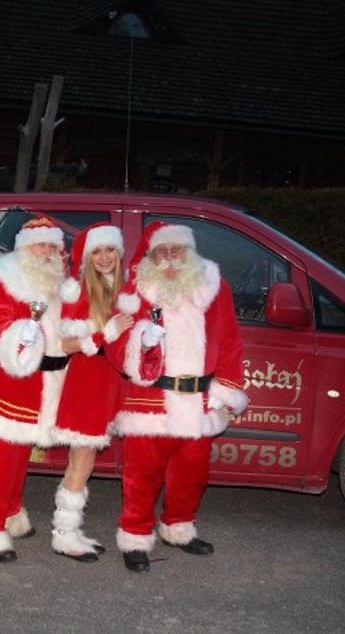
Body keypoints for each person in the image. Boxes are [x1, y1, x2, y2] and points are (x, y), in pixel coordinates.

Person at [109, 221, 248, 573]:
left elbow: (230, 340)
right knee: (142, 475)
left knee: (192, 472)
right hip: (151, 400)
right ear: (152, 256)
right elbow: (114, 348)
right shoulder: (135, 292)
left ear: (189, 252)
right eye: (162, 251)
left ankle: (178, 527)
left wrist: (227, 387)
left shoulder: (215, 287)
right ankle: (135, 536)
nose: (170, 258)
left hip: (199, 399)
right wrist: (143, 339)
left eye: (177, 250)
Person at [0, 216, 72, 563]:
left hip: (43, 384)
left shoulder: (58, 281)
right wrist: (18, 336)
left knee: (19, 459)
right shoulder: (5, 280)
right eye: (40, 245)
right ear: (24, 248)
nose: (46, 251)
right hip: (10, 381)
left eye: (52, 246)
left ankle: (10, 512)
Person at [48, 222, 132, 562]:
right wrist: (104, 335)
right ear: (86, 257)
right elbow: (66, 344)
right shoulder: (78, 290)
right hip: (87, 384)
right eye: (96, 251)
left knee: (87, 459)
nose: (104, 257)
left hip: (109, 383)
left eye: (109, 249)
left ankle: (71, 528)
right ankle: (63, 534)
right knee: (81, 461)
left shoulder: (122, 290)